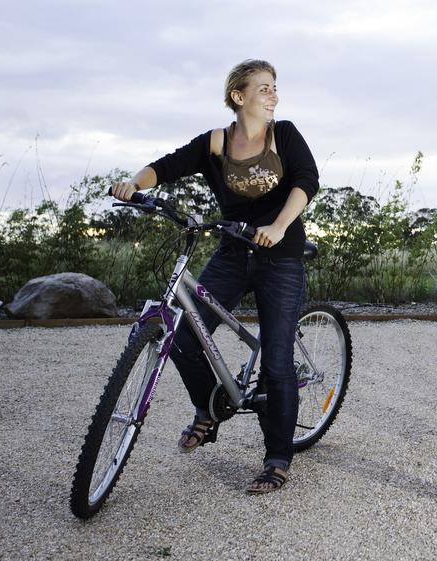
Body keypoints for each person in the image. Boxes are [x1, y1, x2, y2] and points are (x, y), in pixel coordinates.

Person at [111, 59, 319, 494]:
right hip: (231, 252)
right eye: (263, 88)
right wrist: (135, 183)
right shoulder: (216, 143)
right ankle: (210, 409)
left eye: (274, 87)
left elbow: (306, 181)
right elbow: (166, 167)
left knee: (276, 362)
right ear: (238, 97)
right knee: (184, 337)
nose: (273, 95)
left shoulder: (285, 135)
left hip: (280, 257)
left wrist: (279, 226)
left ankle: (277, 458)